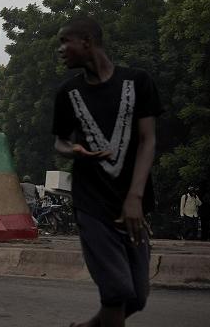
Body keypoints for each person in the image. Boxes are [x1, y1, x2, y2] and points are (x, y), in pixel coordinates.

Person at [52, 16, 160, 327]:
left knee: (136, 298)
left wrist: (135, 197)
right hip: (91, 204)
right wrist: (73, 150)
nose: (60, 49)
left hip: (131, 204)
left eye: (65, 41)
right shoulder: (67, 92)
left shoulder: (138, 82)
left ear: (86, 41)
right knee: (116, 292)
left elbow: (148, 140)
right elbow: (60, 141)